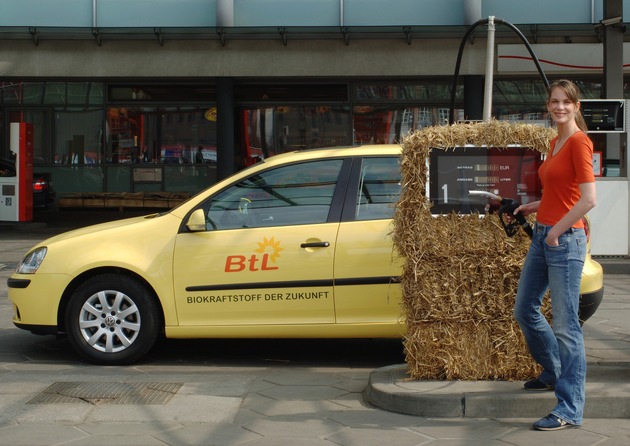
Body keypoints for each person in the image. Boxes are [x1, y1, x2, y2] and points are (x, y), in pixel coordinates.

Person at [511, 79, 596, 431]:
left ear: (576, 106)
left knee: (566, 326)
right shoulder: (555, 141)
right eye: (554, 102)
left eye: (566, 102)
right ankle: (553, 371)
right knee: (525, 308)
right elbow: (560, 192)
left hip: (564, 240)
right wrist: (533, 206)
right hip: (545, 234)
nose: (559, 107)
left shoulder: (579, 142)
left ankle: (569, 408)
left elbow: (589, 199)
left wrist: (557, 231)